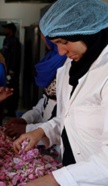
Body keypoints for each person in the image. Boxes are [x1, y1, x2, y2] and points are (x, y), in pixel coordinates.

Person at [13, 0, 108, 185]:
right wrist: (41, 131)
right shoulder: (71, 67)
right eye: (55, 43)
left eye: (64, 42)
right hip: (73, 168)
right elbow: (70, 118)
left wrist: (54, 180)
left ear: (90, 34)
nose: (61, 51)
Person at [5, 35, 67, 139]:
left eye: (45, 36)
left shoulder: (68, 62)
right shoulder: (51, 58)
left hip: (57, 137)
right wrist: (25, 119)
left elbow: (66, 118)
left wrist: (29, 129)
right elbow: (46, 101)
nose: (44, 40)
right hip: (42, 131)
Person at [0, 22, 21, 117]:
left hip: (11, 72)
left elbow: (15, 58)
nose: (4, 31)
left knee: (12, 89)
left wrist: (12, 71)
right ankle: (7, 109)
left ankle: (12, 111)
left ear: (11, 30)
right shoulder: (6, 41)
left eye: (6, 29)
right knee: (6, 88)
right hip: (5, 70)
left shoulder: (15, 42)